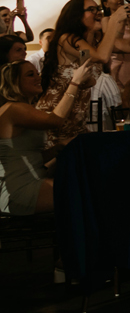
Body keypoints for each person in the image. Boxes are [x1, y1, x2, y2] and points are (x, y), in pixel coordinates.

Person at [1, 58, 94, 214]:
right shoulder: (13, 108)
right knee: (92, 192)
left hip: (31, 180)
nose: (38, 78)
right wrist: (75, 82)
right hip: (19, 189)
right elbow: (55, 121)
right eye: (31, 75)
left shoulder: (22, 107)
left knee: (90, 183)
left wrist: (59, 147)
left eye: (37, 73)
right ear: (15, 82)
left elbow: (28, 157)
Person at [37, 0, 126, 148]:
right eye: (91, 10)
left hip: (76, 121)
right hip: (55, 115)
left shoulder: (92, 44)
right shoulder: (67, 39)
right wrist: (112, 22)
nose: (97, 12)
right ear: (76, 16)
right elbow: (102, 57)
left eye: (97, 8)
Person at [100, 0, 130, 104]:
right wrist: (121, 19)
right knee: (121, 102)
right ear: (106, 3)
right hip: (117, 66)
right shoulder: (106, 20)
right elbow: (114, 42)